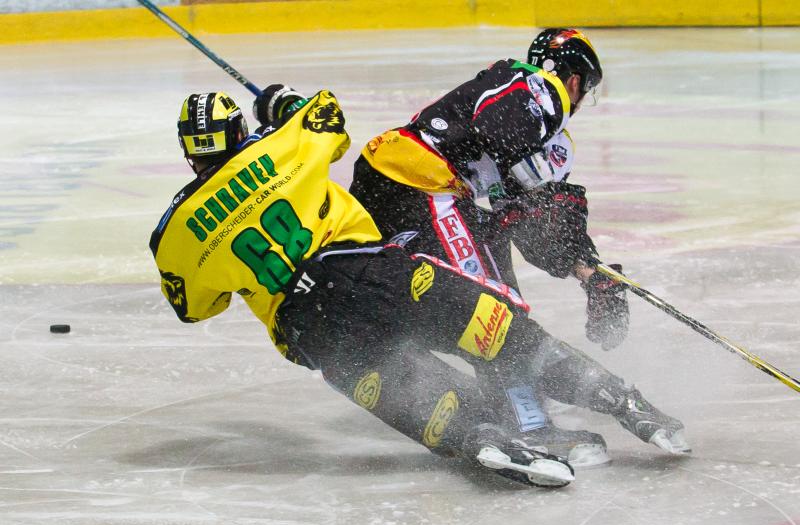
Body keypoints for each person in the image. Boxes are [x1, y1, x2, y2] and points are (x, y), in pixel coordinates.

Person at [250, 28, 690, 463]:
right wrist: (534, 194)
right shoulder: (537, 87)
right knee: (491, 307)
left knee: (487, 290)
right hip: (422, 183)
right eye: (585, 88)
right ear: (575, 79)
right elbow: (505, 144)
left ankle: (495, 407)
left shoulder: (542, 129)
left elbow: (533, 226)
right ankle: (528, 423)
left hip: (392, 186)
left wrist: (590, 272)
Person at [151, 89, 589, 488]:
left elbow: (197, 309)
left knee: (422, 395)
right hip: (367, 273)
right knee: (493, 330)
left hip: (309, 329)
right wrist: (282, 104)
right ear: (238, 130)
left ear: (189, 151)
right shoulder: (280, 144)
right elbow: (330, 118)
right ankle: (599, 399)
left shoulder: (173, 233)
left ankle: (478, 435)